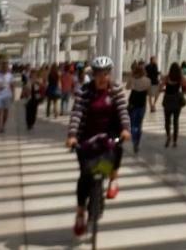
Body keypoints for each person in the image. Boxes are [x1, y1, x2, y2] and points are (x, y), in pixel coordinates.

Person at [66, 56, 132, 238]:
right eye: (98, 74)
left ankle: (111, 179)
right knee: (85, 176)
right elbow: (77, 113)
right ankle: (80, 212)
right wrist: (72, 136)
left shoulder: (115, 90)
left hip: (108, 137)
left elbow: (122, 111)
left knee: (114, 153)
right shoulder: (84, 91)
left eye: (105, 73)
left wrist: (125, 129)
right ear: (93, 75)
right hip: (87, 139)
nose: (102, 77)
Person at [161, 62, 186, 147]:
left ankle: (168, 135)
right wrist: (183, 93)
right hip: (177, 100)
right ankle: (175, 141)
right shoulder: (180, 78)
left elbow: (160, 87)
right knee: (176, 121)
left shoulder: (167, 77)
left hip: (168, 100)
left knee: (167, 120)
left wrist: (165, 90)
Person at [126, 62, 151, 153]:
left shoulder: (133, 79)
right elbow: (149, 93)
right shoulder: (148, 80)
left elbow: (127, 87)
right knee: (139, 124)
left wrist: (131, 77)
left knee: (133, 124)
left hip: (133, 103)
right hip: (142, 104)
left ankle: (134, 141)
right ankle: (137, 142)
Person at [0, 60, 15, 133]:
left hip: (7, 94)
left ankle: (3, 126)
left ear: (7, 67)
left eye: (6, 66)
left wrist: (13, 95)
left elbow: (12, 86)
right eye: (3, 66)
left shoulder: (10, 76)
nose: (4, 67)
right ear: (1, 67)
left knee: (6, 111)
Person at [24, 66, 44, 132]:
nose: (34, 75)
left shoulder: (39, 80)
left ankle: (32, 123)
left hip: (35, 98)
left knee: (34, 111)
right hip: (29, 98)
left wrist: (37, 82)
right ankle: (28, 123)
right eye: (32, 74)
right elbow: (26, 89)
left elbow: (42, 87)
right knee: (28, 111)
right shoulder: (29, 80)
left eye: (35, 74)